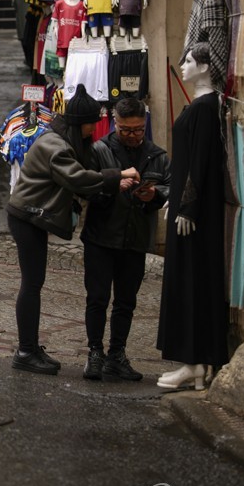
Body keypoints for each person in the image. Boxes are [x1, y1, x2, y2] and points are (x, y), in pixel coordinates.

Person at [6, 86, 139, 375]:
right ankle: (26, 351)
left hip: (32, 216)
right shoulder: (56, 146)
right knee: (32, 283)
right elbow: (78, 179)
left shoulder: (65, 140)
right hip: (26, 217)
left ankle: (29, 347)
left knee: (34, 282)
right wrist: (118, 176)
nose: (95, 129)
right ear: (82, 123)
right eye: (93, 123)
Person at [80, 97, 171, 382]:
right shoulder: (99, 150)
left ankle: (116, 354)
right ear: (114, 124)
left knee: (126, 301)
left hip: (135, 238)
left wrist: (155, 195)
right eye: (126, 130)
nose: (132, 135)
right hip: (101, 237)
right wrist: (111, 185)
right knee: (97, 298)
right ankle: (95, 352)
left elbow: (171, 187)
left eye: (138, 130)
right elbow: (86, 187)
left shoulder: (158, 156)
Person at [156, 42, 227, 390]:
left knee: (190, 280)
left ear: (203, 66)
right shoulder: (202, 105)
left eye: (187, 61)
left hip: (193, 216)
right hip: (187, 208)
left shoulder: (204, 107)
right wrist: (177, 197)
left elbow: (200, 162)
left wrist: (188, 205)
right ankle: (195, 364)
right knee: (189, 278)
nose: (182, 66)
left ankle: (194, 362)